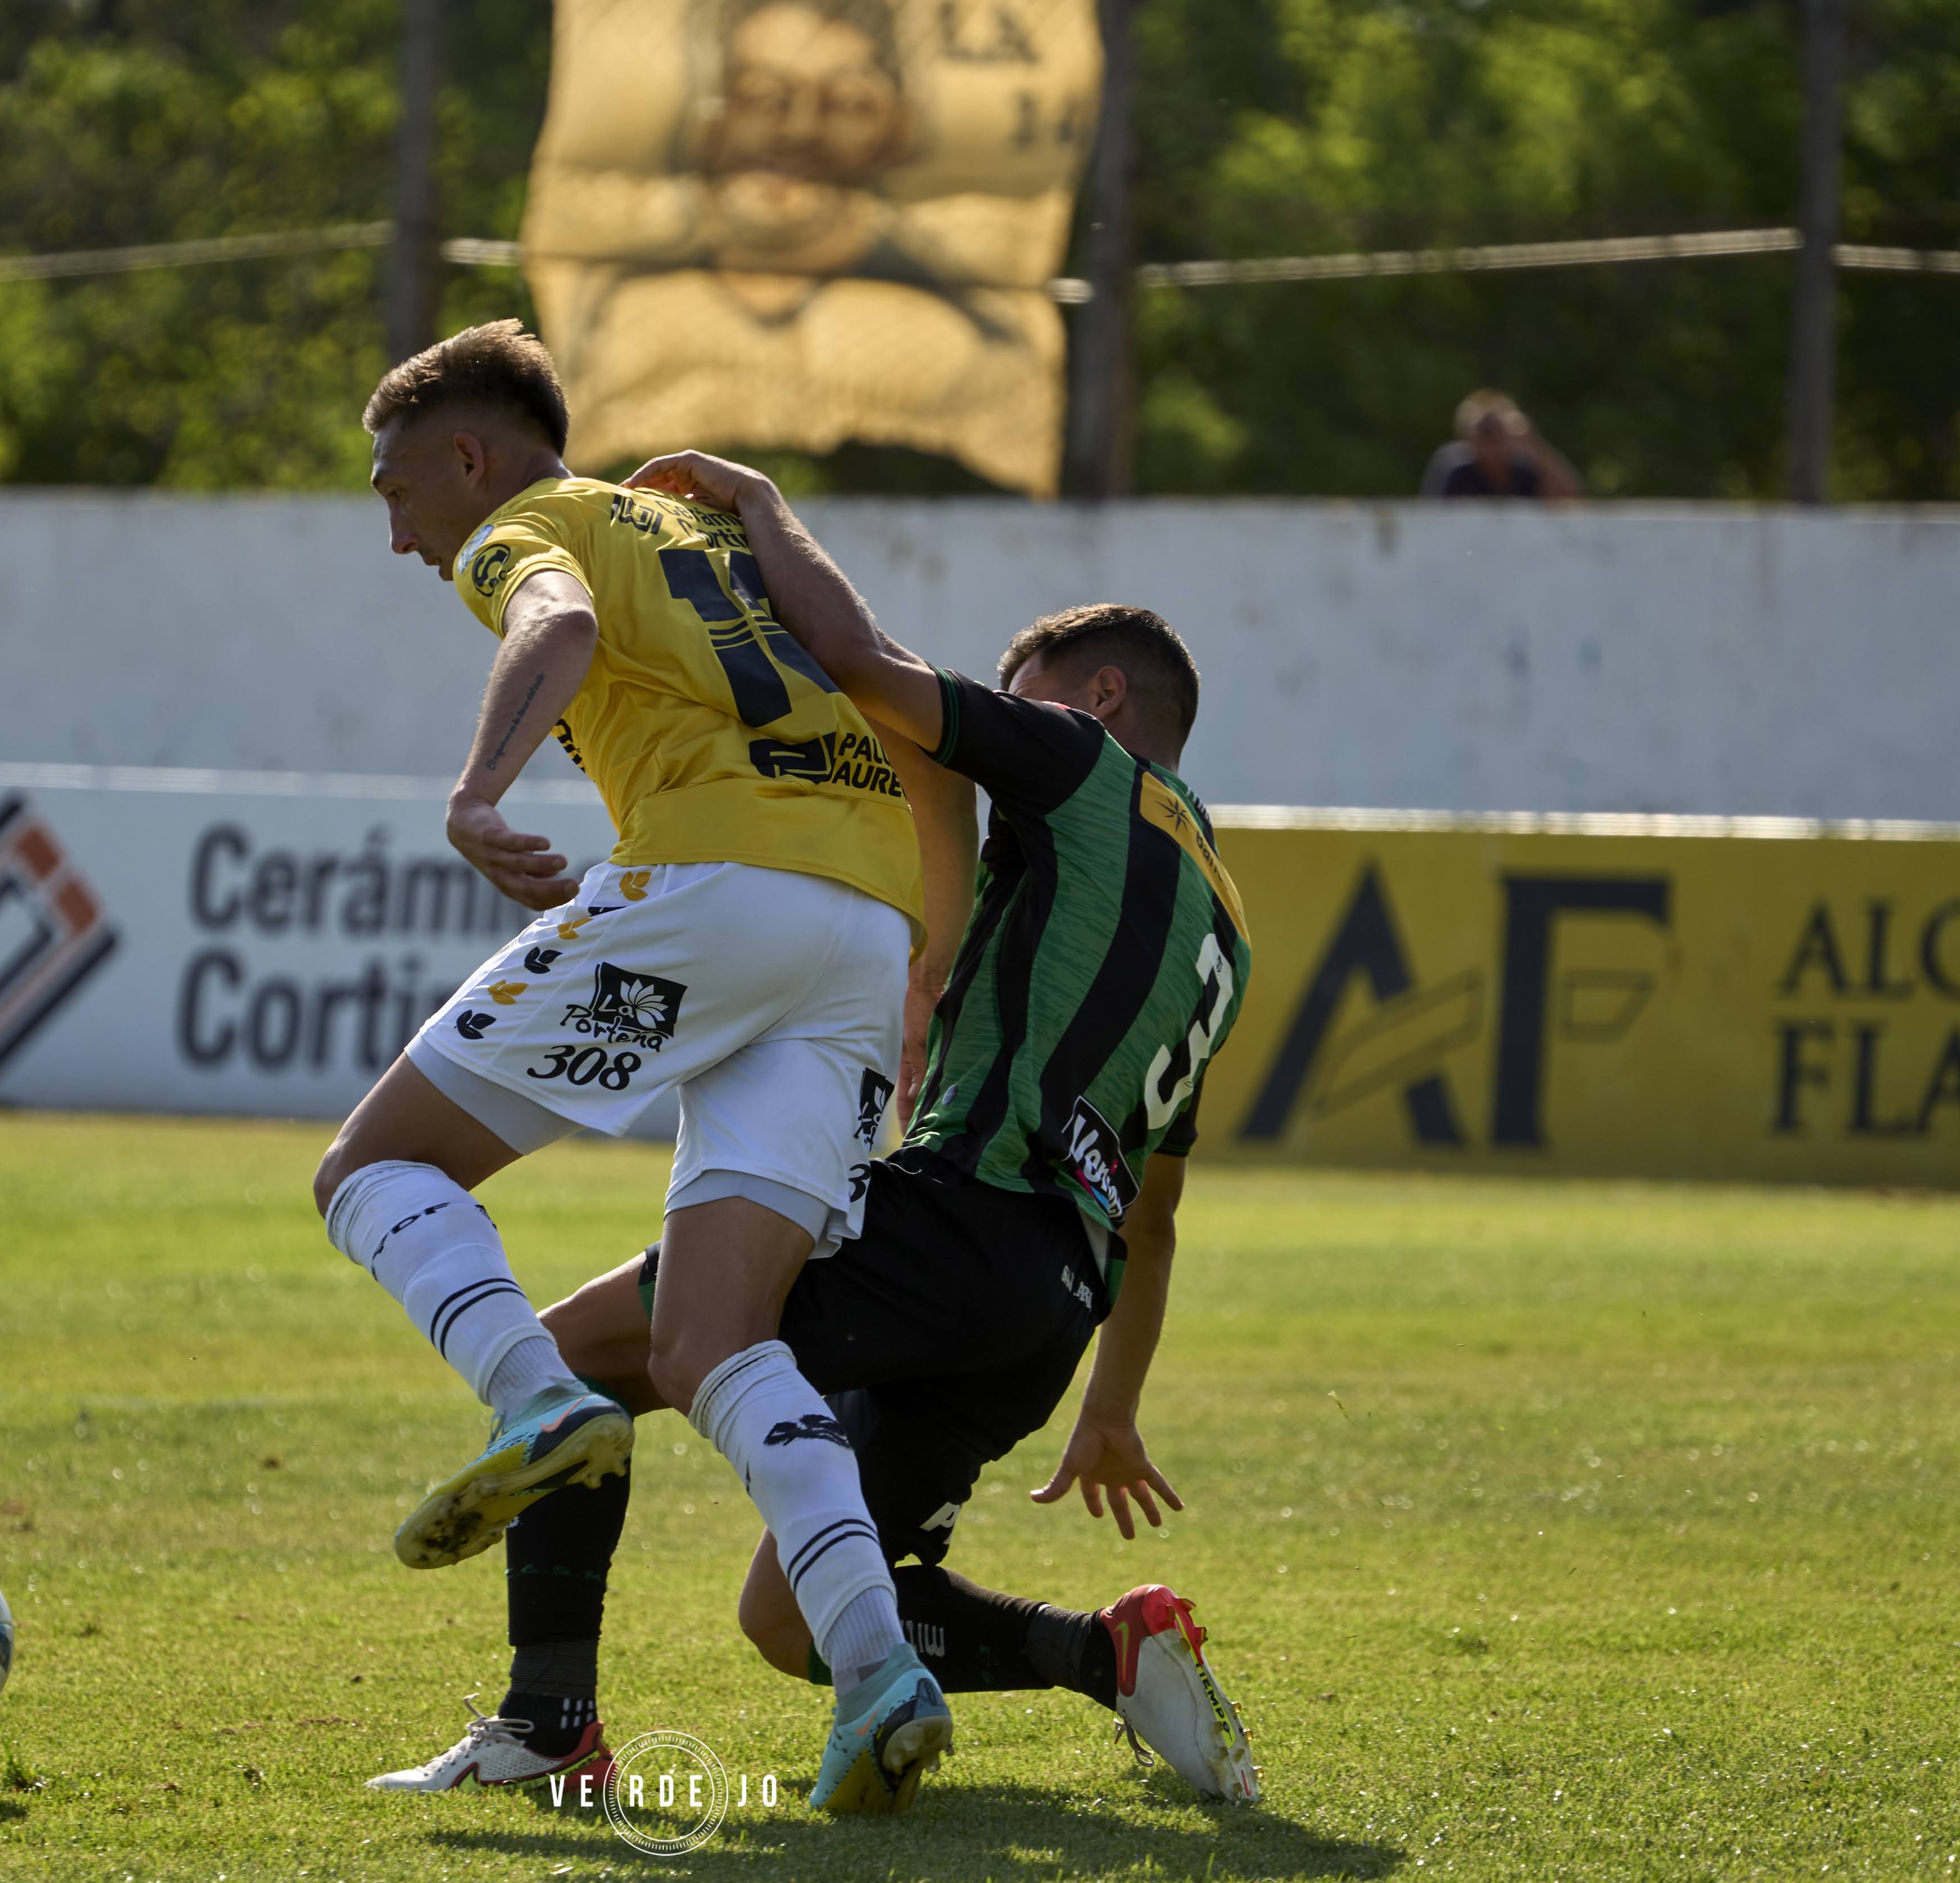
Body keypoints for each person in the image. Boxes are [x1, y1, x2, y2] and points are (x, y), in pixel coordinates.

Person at [367, 451, 1260, 1805]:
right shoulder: (1223, 928)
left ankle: (548, 1721)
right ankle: (1107, 1653)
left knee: (569, 1365)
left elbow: (861, 665)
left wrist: (757, 503)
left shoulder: (1076, 760)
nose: (993, 724)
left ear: (1098, 697)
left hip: (953, 1221)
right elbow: (1157, 1214)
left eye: (1017, 696)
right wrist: (1110, 1411)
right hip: (1051, 1306)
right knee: (786, 1621)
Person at [313, 323, 955, 1813]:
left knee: (372, 1166)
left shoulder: (526, 526)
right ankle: (877, 1672)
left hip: (718, 886)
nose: (400, 534)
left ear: (468, 456)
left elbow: (555, 629)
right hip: (862, 923)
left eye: (398, 491)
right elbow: (874, 671)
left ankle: (535, 1403)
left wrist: (477, 796)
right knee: (711, 1342)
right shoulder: (702, 527)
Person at [1421, 389, 1582, 501]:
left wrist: (1534, 444)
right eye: (1485, 432)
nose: (1492, 442)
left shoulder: (1523, 470)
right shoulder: (1456, 470)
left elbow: (1570, 496)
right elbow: (1434, 518)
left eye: (1497, 431)